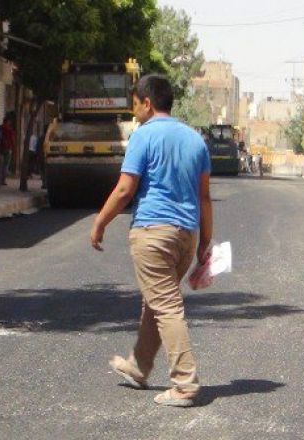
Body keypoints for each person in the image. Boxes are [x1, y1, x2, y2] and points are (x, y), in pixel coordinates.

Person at [90, 74, 212, 407]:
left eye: (135, 105)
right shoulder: (195, 140)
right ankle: (139, 366)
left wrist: (100, 222)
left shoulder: (144, 136)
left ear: (147, 102)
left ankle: (185, 384)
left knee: (166, 306)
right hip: (186, 235)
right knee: (156, 301)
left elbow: (126, 189)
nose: (135, 113)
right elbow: (204, 197)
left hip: (153, 234)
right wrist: (205, 242)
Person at [0, 112, 16, 188]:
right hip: (7, 148)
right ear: (8, 122)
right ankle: (3, 180)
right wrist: (14, 148)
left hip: (0, 148)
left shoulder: (0, 128)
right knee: (5, 165)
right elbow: (12, 140)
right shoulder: (10, 130)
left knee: (0, 164)